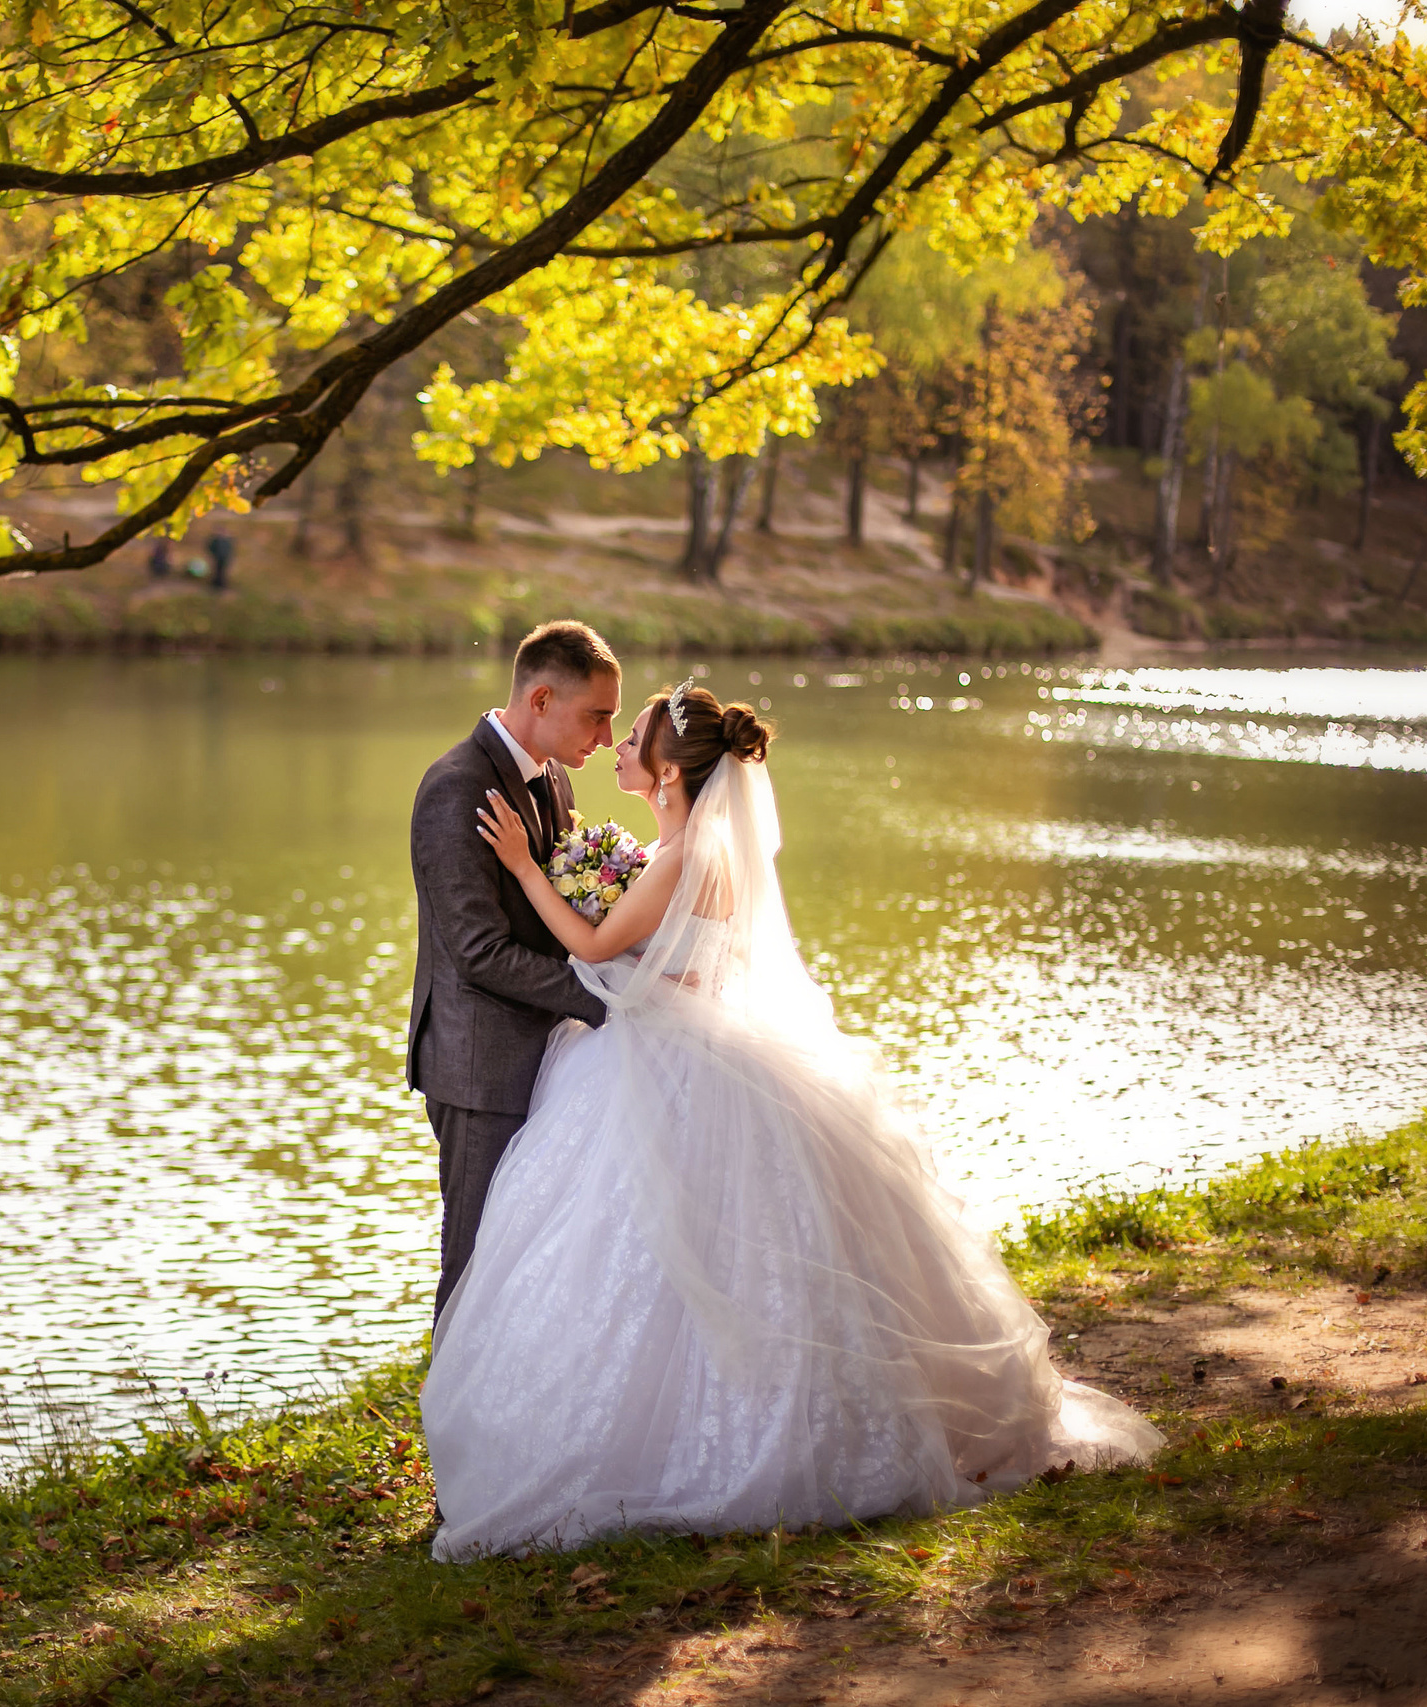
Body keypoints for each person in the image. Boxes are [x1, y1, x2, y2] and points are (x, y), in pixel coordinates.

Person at [422, 679, 1163, 1560]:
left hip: (664, 1058)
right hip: (709, 1047)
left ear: (665, 774)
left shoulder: (678, 857)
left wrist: (523, 870)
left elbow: (590, 948)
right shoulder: (702, 852)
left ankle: (665, 1433)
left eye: (633, 739)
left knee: (658, 1242)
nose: (616, 745)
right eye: (608, 728)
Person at [407, 621, 623, 1323]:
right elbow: (477, 950)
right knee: (473, 1264)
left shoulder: (551, 777)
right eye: (597, 715)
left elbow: (552, 904)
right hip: (480, 1067)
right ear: (540, 699)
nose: (607, 735)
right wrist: (603, 998)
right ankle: (447, 1422)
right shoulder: (455, 787)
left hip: (547, 1057)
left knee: (525, 1257)